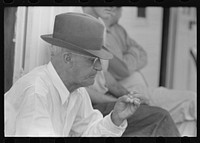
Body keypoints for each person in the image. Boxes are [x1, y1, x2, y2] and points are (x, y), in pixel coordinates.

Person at [4, 12, 145, 137]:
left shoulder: (77, 92)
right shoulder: (36, 92)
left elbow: (88, 131)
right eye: (92, 60)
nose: (99, 67)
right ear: (67, 58)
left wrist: (115, 119)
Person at [91, 7, 196, 136]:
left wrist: (128, 95)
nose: (115, 9)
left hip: (118, 91)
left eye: (119, 6)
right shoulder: (85, 28)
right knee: (162, 115)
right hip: (101, 100)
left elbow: (142, 55)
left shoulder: (117, 29)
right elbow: (123, 69)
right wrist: (118, 100)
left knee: (191, 108)